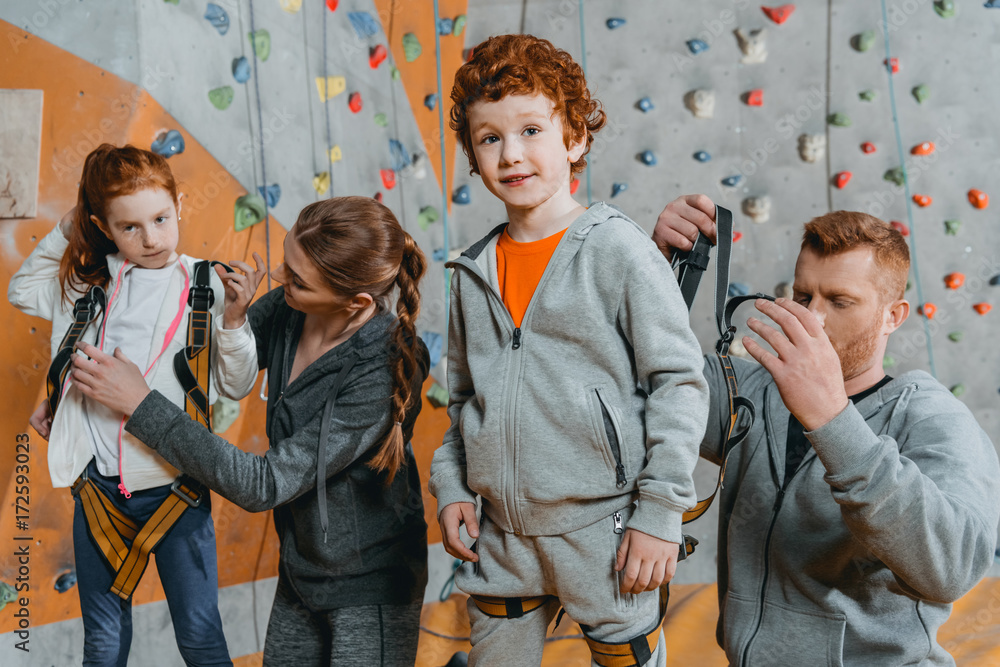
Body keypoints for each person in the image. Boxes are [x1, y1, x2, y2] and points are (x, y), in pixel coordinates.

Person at [429, 35, 709, 667]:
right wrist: (450, 488)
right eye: (490, 138)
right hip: (499, 539)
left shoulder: (618, 250)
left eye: (531, 129)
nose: (512, 154)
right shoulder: (471, 272)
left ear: (576, 138)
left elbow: (678, 383)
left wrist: (660, 515)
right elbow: (464, 402)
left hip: (607, 537)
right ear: (473, 155)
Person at [69, 195, 431, 667]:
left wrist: (140, 404)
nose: (279, 280)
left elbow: (263, 484)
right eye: (286, 262)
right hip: (303, 567)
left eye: (297, 279)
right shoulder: (290, 307)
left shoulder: (378, 370)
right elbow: (204, 361)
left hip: (371, 582)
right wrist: (67, 386)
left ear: (356, 302)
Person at [653, 194, 1000, 666]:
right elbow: (640, 376)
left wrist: (832, 420)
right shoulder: (752, 390)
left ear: (892, 317)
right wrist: (656, 265)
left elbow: (952, 566)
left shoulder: (934, 418)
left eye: (840, 301)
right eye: (802, 297)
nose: (812, 318)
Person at [8, 143, 261, 666]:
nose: (151, 239)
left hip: (177, 491)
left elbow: (235, 386)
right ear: (103, 226)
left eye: (161, 218)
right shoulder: (88, 285)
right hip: (99, 490)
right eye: (129, 228)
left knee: (199, 636)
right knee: (102, 643)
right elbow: (21, 289)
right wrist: (75, 219)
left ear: (180, 204)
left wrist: (234, 323)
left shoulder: (207, 284)